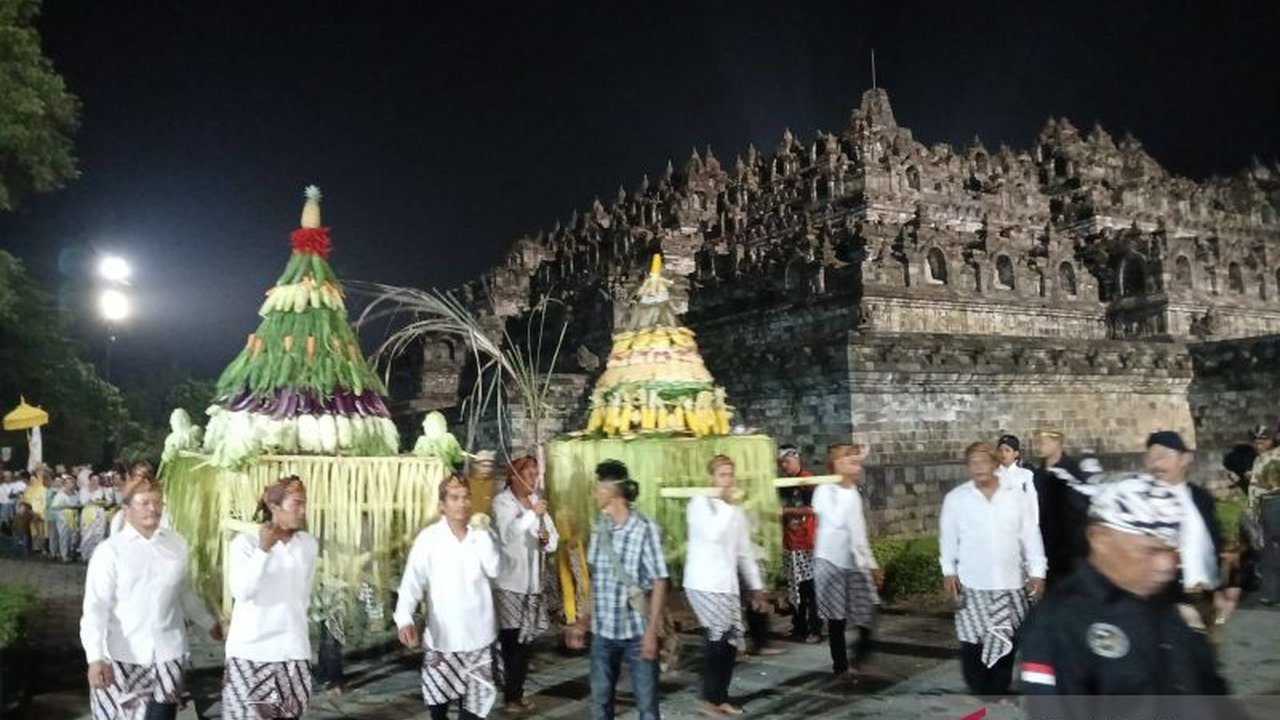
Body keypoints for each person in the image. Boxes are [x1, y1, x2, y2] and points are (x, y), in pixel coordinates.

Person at [1019, 475, 1233, 719]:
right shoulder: (1057, 621)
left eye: (1172, 551)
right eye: (1151, 550)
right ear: (1100, 539)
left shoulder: (1171, 605)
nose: (1166, 565)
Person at [79, 474, 222, 720]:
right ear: (126, 509)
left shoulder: (176, 544)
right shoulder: (110, 552)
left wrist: (209, 623)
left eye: (157, 502)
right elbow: (95, 608)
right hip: (124, 656)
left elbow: (184, 594)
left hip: (169, 654)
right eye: (144, 503)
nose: (152, 509)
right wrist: (95, 658)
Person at [940, 442, 1046, 697]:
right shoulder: (956, 499)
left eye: (983, 461)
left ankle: (998, 686)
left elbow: (1030, 535)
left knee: (1007, 639)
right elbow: (948, 537)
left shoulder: (1015, 496)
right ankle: (978, 685)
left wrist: (1037, 572)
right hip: (973, 583)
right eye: (972, 462)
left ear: (995, 464)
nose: (978, 467)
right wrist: (948, 570)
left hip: (1009, 583)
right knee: (973, 641)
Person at [565, 459, 668, 720]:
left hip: (637, 631)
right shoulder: (599, 529)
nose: (594, 493)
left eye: (597, 488)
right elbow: (597, 581)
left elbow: (659, 581)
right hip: (603, 632)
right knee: (600, 704)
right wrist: (583, 620)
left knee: (647, 706)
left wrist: (652, 632)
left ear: (612, 491)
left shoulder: (645, 529)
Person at [396, 475, 502, 720]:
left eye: (466, 497)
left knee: (474, 713)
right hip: (443, 642)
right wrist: (404, 619)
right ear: (442, 505)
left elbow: (495, 570)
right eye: (454, 498)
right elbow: (412, 582)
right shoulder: (429, 539)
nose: (461, 504)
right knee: (438, 711)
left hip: (479, 640)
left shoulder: (483, 535)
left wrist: (484, 535)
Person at [222, 475, 318, 720]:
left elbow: (303, 595)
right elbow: (242, 591)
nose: (303, 510)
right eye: (296, 503)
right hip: (252, 654)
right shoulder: (245, 544)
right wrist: (263, 550)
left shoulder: (307, 545)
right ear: (274, 506)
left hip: (294, 654)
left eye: (304, 503)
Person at [686, 455, 767, 716]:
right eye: (722, 475)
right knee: (718, 637)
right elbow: (712, 533)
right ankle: (707, 698)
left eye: (730, 474)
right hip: (703, 582)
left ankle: (720, 695)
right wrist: (728, 507)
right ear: (711, 478)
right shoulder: (699, 503)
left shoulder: (735, 510)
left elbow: (744, 551)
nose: (728, 480)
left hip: (727, 584)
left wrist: (756, 586)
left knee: (731, 642)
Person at [1144, 431, 1239, 636]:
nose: (1155, 464)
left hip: (1204, 600)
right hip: (1163, 604)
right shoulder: (1140, 504)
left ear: (1185, 458)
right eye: (1150, 458)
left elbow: (1215, 544)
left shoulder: (1201, 498)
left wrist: (1225, 588)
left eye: (1162, 456)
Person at [493, 455, 560, 713]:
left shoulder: (535, 502)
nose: (533, 478)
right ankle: (510, 696)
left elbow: (553, 539)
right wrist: (532, 515)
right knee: (512, 642)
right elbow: (508, 534)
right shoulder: (503, 503)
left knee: (526, 642)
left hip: (532, 583)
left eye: (535, 474)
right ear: (514, 476)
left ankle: (517, 693)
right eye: (528, 474)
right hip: (510, 583)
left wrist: (546, 539)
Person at [812, 444, 882, 683]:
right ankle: (841, 667)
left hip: (852, 561)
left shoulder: (853, 492)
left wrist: (870, 564)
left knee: (869, 608)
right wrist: (844, 484)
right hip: (828, 561)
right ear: (835, 464)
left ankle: (861, 658)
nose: (855, 465)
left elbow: (858, 533)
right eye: (848, 461)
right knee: (836, 617)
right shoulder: (824, 490)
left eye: (856, 461)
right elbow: (837, 519)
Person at [1032, 429, 1089, 589]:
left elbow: (1080, 509)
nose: (1039, 446)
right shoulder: (1038, 473)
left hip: (1068, 548)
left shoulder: (1071, 472)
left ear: (1056, 443)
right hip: (1043, 542)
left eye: (1043, 442)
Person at [777, 444, 821, 643]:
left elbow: (813, 509)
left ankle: (815, 627)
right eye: (781, 463)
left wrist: (786, 512)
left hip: (807, 541)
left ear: (797, 459)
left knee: (809, 587)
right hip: (790, 542)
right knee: (793, 587)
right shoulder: (783, 483)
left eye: (787, 461)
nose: (784, 466)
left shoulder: (807, 481)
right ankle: (799, 625)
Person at [1249, 426, 1280, 604]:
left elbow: (1255, 488)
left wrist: (1253, 512)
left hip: (1271, 505)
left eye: (1263, 440)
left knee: (1270, 550)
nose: (1259, 444)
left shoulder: (1263, 459)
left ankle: (1272, 593)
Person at [79, 473, 114, 562]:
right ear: (89, 480)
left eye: (97, 480)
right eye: (93, 480)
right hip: (88, 513)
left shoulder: (103, 490)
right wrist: (92, 500)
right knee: (87, 535)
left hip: (99, 513)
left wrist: (101, 502)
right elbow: (84, 502)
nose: (95, 482)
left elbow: (109, 502)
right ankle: (86, 556)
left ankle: (96, 556)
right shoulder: (84, 490)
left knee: (99, 535)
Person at [51, 474, 82, 562]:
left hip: (74, 517)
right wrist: (65, 507)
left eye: (72, 483)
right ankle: (64, 555)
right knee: (64, 536)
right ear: (65, 484)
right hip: (63, 517)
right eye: (69, 483)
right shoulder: (60, 494)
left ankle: (71, 553)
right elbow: (54, 507)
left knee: (74, 536)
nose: (71, 485)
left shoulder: (76, 493)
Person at [469, 449, 499, 518]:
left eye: (489, 466)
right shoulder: (467, 482)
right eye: (483, 466)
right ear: (475, 466)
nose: (487, 470)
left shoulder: (494, 484)